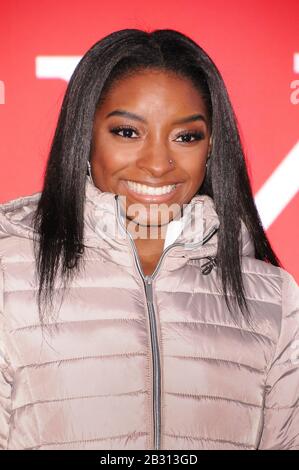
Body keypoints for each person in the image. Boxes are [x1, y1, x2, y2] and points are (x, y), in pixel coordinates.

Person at [0, 28, 298, 451]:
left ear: (212, 146)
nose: (158, 164)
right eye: (127, 132)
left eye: (186, 136)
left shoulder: (273, 300)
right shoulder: (7, 275)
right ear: (84, 137)